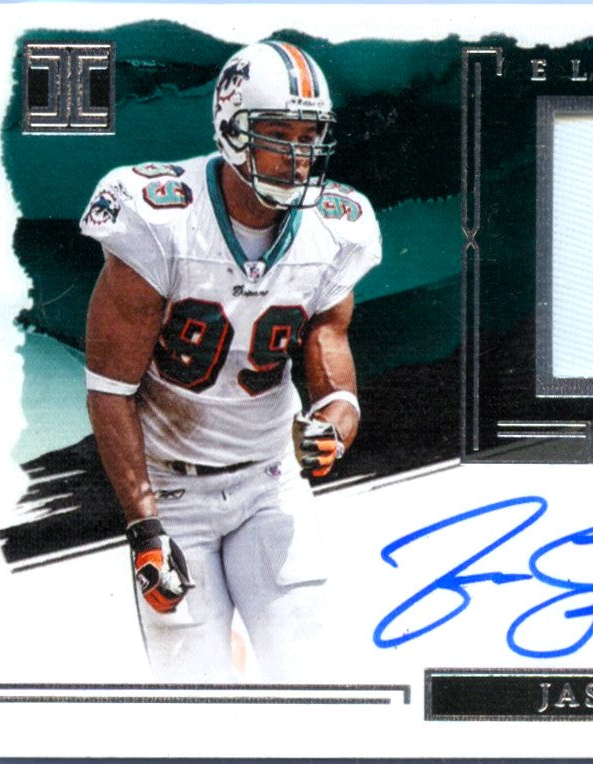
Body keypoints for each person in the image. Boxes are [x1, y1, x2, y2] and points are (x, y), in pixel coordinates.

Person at [79, 40, 381, 681]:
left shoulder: (336, 227)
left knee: (312, 678)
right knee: (196, 693)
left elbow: (330, 342)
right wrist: (144, 525)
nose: (298, 155)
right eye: (279, 135)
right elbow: (109, 388)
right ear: (232, 131)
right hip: (171, 488)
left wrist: (335, 423)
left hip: (269, 479)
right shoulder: (162, 218)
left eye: (310, 136)